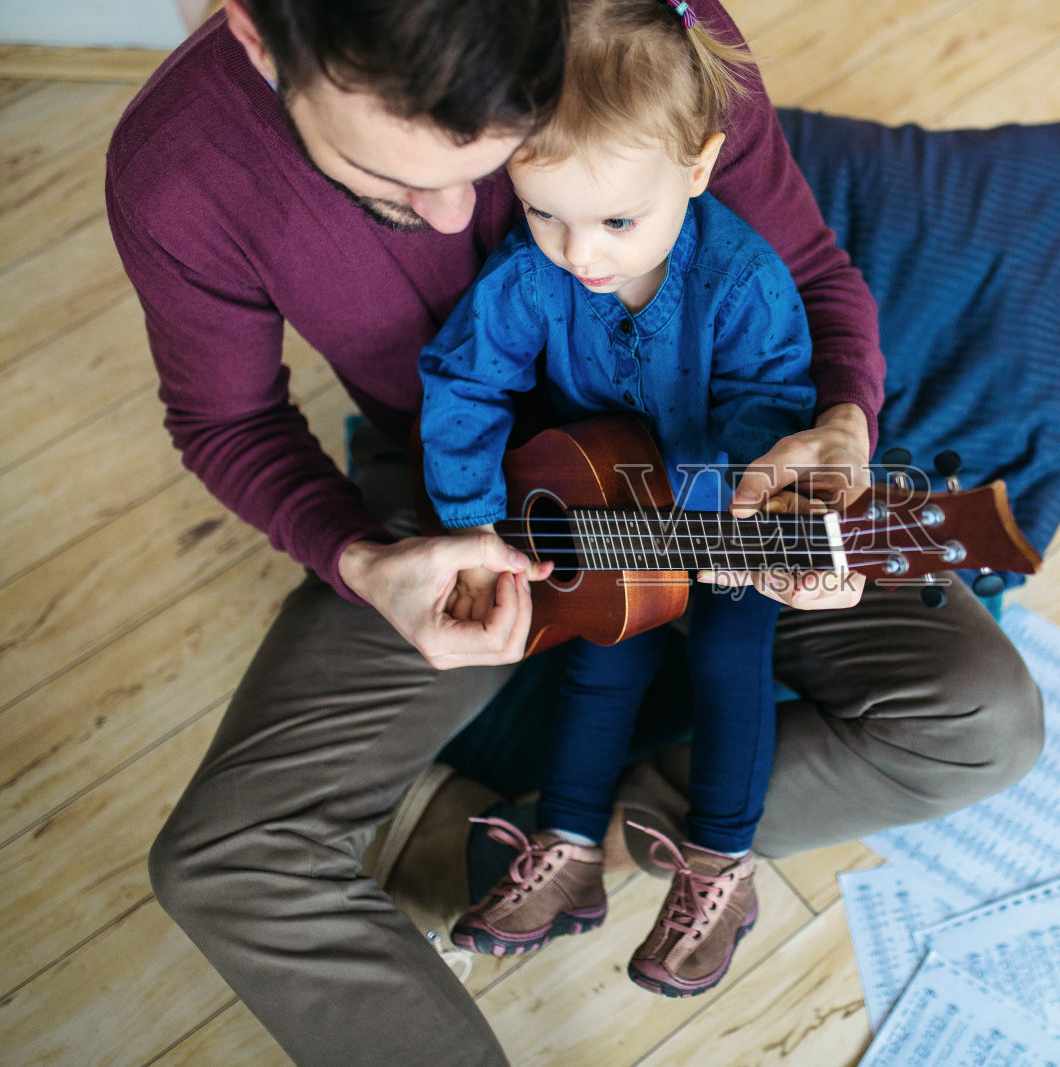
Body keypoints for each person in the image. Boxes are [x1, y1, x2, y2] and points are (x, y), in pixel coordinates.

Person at [105, 0, 1043, 1061]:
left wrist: (837, 430)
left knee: (987, 723)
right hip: (468, 509)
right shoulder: (179, 170)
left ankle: (566, 830)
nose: (462, 216)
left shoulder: (632, 28)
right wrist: (363, 558)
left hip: (725, 487)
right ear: (260, 34)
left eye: (493, 158)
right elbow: (227, 418)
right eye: (388, 185)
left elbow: (809, 276)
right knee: (221, 859)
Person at [418, 0, 814, 996]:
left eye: (616, 221)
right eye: (543, 211)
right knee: (603, 656)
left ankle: (721, 863)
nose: (577, 253)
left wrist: (709, 504)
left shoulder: (741, 281)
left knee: (732, 655)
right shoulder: (527, 274)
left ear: (696, 167)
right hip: (601, 502)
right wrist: (469, 520)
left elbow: (769, 405)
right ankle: (568, 845)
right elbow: (464, 381)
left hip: (722, 517)